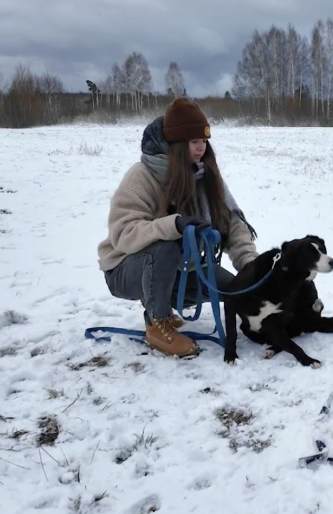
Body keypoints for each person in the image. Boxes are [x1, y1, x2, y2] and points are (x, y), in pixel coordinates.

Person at [97, 98, 259, 357]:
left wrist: (252, 268)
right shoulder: (142, 175)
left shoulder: (204, 175)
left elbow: (231, 224)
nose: (201, 148)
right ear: (176, 144)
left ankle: (161, 296)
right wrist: (174, 224)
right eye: (194, 142)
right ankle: (157, 324)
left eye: (204, 141)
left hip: (181, 268)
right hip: (124, 269)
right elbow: (123, 234)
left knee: (234, 289)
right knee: (164, 248)